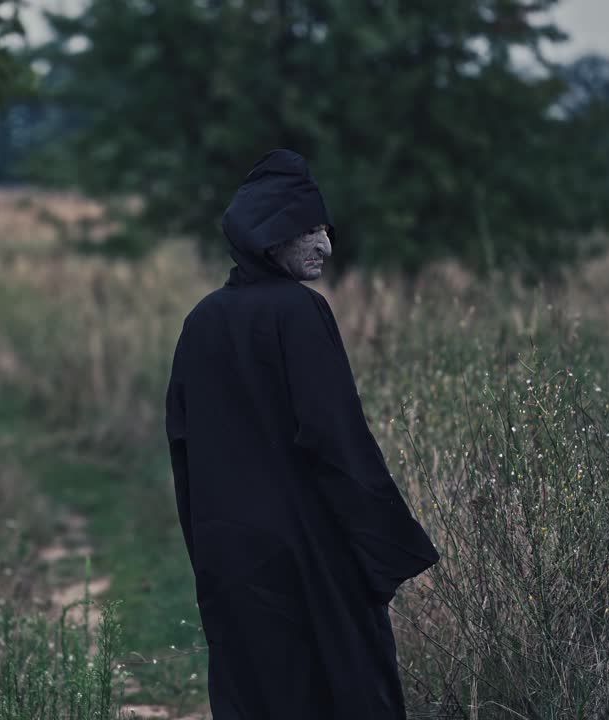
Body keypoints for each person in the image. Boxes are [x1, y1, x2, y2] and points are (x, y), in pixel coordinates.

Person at [164, 149, 439, 718]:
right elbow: (336, 441)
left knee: (258, 690)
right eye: (309, 229)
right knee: (343, 685)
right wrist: (382, 548)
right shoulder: (300, 312)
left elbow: (183, 449)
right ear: (270, 234)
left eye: (325, 229)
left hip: (234, 553)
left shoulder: (202, 320)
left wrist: (207, 547)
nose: (325, 246)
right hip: (311, 555)